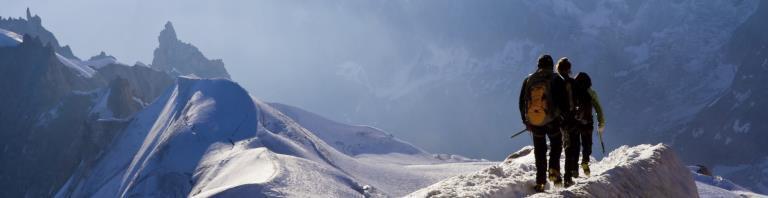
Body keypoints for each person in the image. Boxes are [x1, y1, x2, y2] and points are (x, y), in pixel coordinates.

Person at [519, 54, 569, 192]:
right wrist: (564, 117)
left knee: (540, 151)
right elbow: (563, 101)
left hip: (535, 121)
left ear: (538, 65)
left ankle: (540, 182)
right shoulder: (555, 79)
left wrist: (526, 120)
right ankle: (553, 170)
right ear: (551, 65)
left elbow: (522, 102)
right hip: (553, 120)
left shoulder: (529, 79)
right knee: (556, 145)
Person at [572, 72, 605, 178]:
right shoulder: (591, 92)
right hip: (587, 122)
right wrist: (601, 123)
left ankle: (574, 169)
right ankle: (585, 162)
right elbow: (598, 109)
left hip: (574, 122)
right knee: (587, 144)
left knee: (575, 145)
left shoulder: (572, 92)